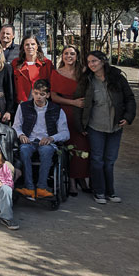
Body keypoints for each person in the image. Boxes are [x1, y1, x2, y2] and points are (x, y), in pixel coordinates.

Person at [77, 50, 136, 204]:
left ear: (103, 61)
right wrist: (81, 125)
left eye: (94, 61)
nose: (91, 65)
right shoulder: (87, 81)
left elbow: (129, 98)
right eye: (89, 62)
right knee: (97, 160)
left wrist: (128, 117)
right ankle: (99, 191)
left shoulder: (117, 78)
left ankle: (111, 192)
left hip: (115, 126)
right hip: (95, 126)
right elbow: (80, 104)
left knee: (110, 160)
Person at [12, 79, 69, 200]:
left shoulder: (57, 110)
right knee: (24, 150)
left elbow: (65, 133)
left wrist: (51, 138)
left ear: (48, 95)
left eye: (42, 94)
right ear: (32, 93)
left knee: (46, 151)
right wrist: (21, 135)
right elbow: (16, 126)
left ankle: (42, 187)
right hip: (29, 141)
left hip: (47, 143)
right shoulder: (23, 107)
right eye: (36, 93)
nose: (38, 97)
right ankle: (29, 187)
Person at [50, 44, 89, 195]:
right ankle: (72, 181)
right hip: (64, 113)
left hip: (82, 114)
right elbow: (54, 96)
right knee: (69, 147)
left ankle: (82, 178)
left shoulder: (84, 72)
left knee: (84, 147)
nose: (69, 56)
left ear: (76, 56)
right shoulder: (56, 73)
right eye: (66, 53)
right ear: (62, 56)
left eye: (72, 53)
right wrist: (73, 103)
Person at [12, 35, 53, 104]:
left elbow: (52, 84)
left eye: (33, 44)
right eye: (27, 45)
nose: (30, 47)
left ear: (37, 47)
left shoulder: (46, 63)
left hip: (42, 102)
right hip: (22, 102)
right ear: (23, 47)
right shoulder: (15, 63)